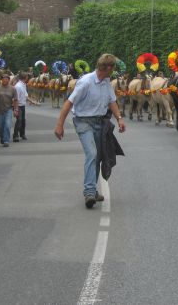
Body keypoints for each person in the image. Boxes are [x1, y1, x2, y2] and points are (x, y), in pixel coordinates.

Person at [54, 53, 126, 209]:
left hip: (100, 123)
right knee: (92, 154)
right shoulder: (85, 82)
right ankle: (89, 192)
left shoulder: (107, 82)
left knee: (98, 156)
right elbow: (69, 103)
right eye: (112, 68)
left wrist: (119, 118)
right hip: (83, 122)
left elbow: (111, 101)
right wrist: (59, 125)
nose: (113, 71)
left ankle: (92, 190)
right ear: (106, 67)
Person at [0, 72, 18, 147]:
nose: (5, 80)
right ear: (1, 80)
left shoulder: (13, 89)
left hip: (9, 109)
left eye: (6, 79)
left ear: (8, 80)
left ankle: (6, 140)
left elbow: (16, 100)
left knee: (7, 125)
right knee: (0, 126)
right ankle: (2, 137)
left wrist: (16, 109)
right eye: (3, 79)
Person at [13, 72, 38, 142]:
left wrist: (32, 101)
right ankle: (15, 136)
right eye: (27, 77)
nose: (28, 78)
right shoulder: (18, 86)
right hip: (18, 105)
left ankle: (22, 134)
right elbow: (15, 98)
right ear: (25, 78)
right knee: (19, 120)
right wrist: (15, 108)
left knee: (23, 121)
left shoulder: (23, 85)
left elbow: (25, 96)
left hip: (22, 105)